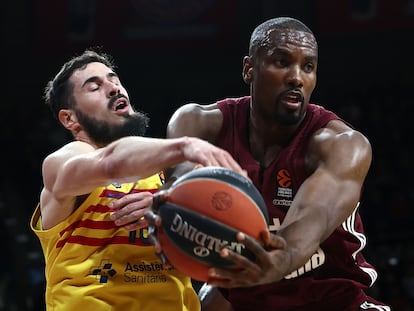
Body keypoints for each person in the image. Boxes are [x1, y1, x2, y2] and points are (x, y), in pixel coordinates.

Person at [146, 17, 391, 310]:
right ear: (249, 69)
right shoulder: (197, 124)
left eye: (308, 67)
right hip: (250, 296)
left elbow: (308, 223)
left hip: (333, 296)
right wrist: (169, 215)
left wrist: (277, 261)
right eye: (282, 62)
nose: (297, 77)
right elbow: (183, 191)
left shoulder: (342, 144)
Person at [29, 49, 246, 311]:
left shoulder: (168, 179)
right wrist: (185, 146)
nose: (113, 88)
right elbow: (110, 163)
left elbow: (218, 249)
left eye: (115, 80)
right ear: (70, 118)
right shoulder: (64, 163)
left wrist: (170, 209)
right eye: (94, 87)